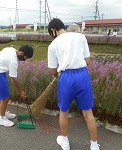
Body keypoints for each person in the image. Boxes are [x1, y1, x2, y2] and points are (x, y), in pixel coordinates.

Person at [47, 18, 100, 150]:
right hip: (82, 75)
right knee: (88, 113)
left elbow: (53, 70)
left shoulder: (52, 45)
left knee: (64, 111)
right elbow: (88, 61)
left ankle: (64, 141)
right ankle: (94, 144)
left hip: (65, 78)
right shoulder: (81, 37)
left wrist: (58, 75)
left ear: (53, 30)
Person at [0, 45, 34, 127]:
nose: (25, 60)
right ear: (21, 53)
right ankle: (1, 118)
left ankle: (4, 112)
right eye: (25, 57)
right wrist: (21, 92)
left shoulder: (11, 49)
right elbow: (14, 78)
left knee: (4, 95)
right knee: (5, 97)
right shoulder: (13, 61)